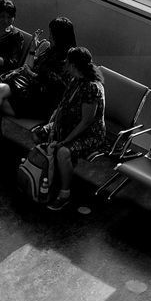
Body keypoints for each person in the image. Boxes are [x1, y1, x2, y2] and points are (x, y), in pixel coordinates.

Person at [0, 17, 77, 150]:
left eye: (52, 35)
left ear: (60, 37)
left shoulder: (70, 60)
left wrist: (32, 75)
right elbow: (30, 66)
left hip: (41, 102)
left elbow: (58, 88)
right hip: (28, 91)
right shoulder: (51, 50)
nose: (50, 37)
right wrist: (33, 49)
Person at [32, 46, 107, 211]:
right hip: (67, 125)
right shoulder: (75, 80)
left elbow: (86, 122)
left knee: (63, 151)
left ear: (74, 65)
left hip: (88, 134)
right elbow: (62, 106)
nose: (65, 63)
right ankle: (49, 175)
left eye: (68, 61)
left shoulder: (92, 88)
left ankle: (64, 193)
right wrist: (52, 125)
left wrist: (65, 140)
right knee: (38, 134)